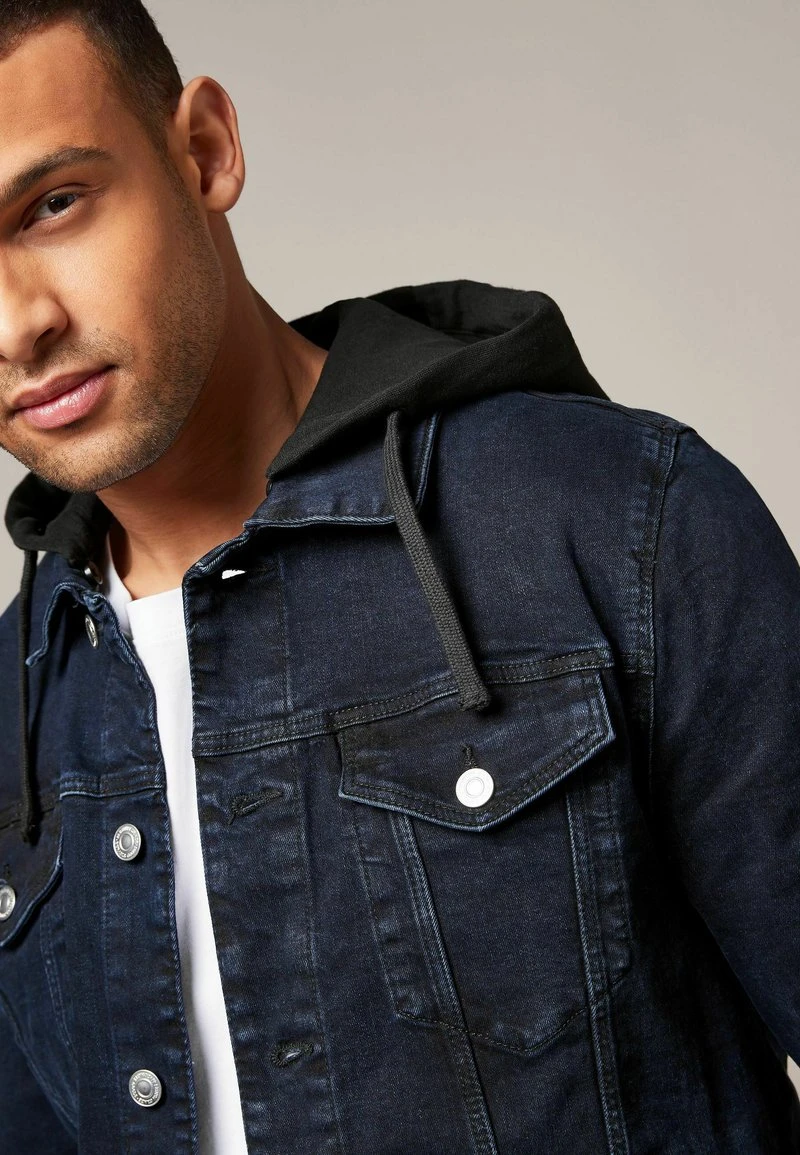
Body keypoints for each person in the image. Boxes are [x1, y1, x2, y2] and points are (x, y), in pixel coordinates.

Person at [0, 3, 797, 1153]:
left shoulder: (617, 521)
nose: (19, 325)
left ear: (206, 150)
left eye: (54, 205)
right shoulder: (20, 705)